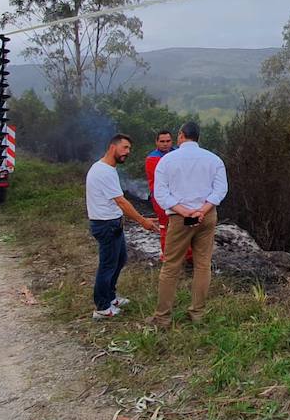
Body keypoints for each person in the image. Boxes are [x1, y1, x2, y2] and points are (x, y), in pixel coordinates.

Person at [149, 120, 227, 328]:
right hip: (207, 216)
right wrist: (202, 210)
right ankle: (198, 313)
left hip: (179, 217)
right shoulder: (214, 159)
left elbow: (161, 193)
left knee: (171, 265)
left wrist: (185, 211)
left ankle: (163, 317)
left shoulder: (167, 161)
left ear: (181, 135)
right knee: (202, 265)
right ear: (198, 137)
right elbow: (220, 190)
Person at [86, 133, 158, 320]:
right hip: (106, 225)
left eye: (129, 149)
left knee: (120, 260)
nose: (127, 152)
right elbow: (121, 202)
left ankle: (111, 297)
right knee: (107, 265)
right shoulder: (103, 171)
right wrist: (143, 221)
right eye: (125, 148)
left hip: (113, 224)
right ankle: (102, 307)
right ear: (113, 147)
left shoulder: (107, 169)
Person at [144, 129, 175, 249]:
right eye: (162, 141)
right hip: (160, 197)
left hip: (178, 195)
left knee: (182, 227)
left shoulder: (177, 153)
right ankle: (166, 255)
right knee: (165, 225)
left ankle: (187, 256)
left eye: (168, 141)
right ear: (156, 142)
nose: (165, 144)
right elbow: (159, 182)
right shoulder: (152, 159)